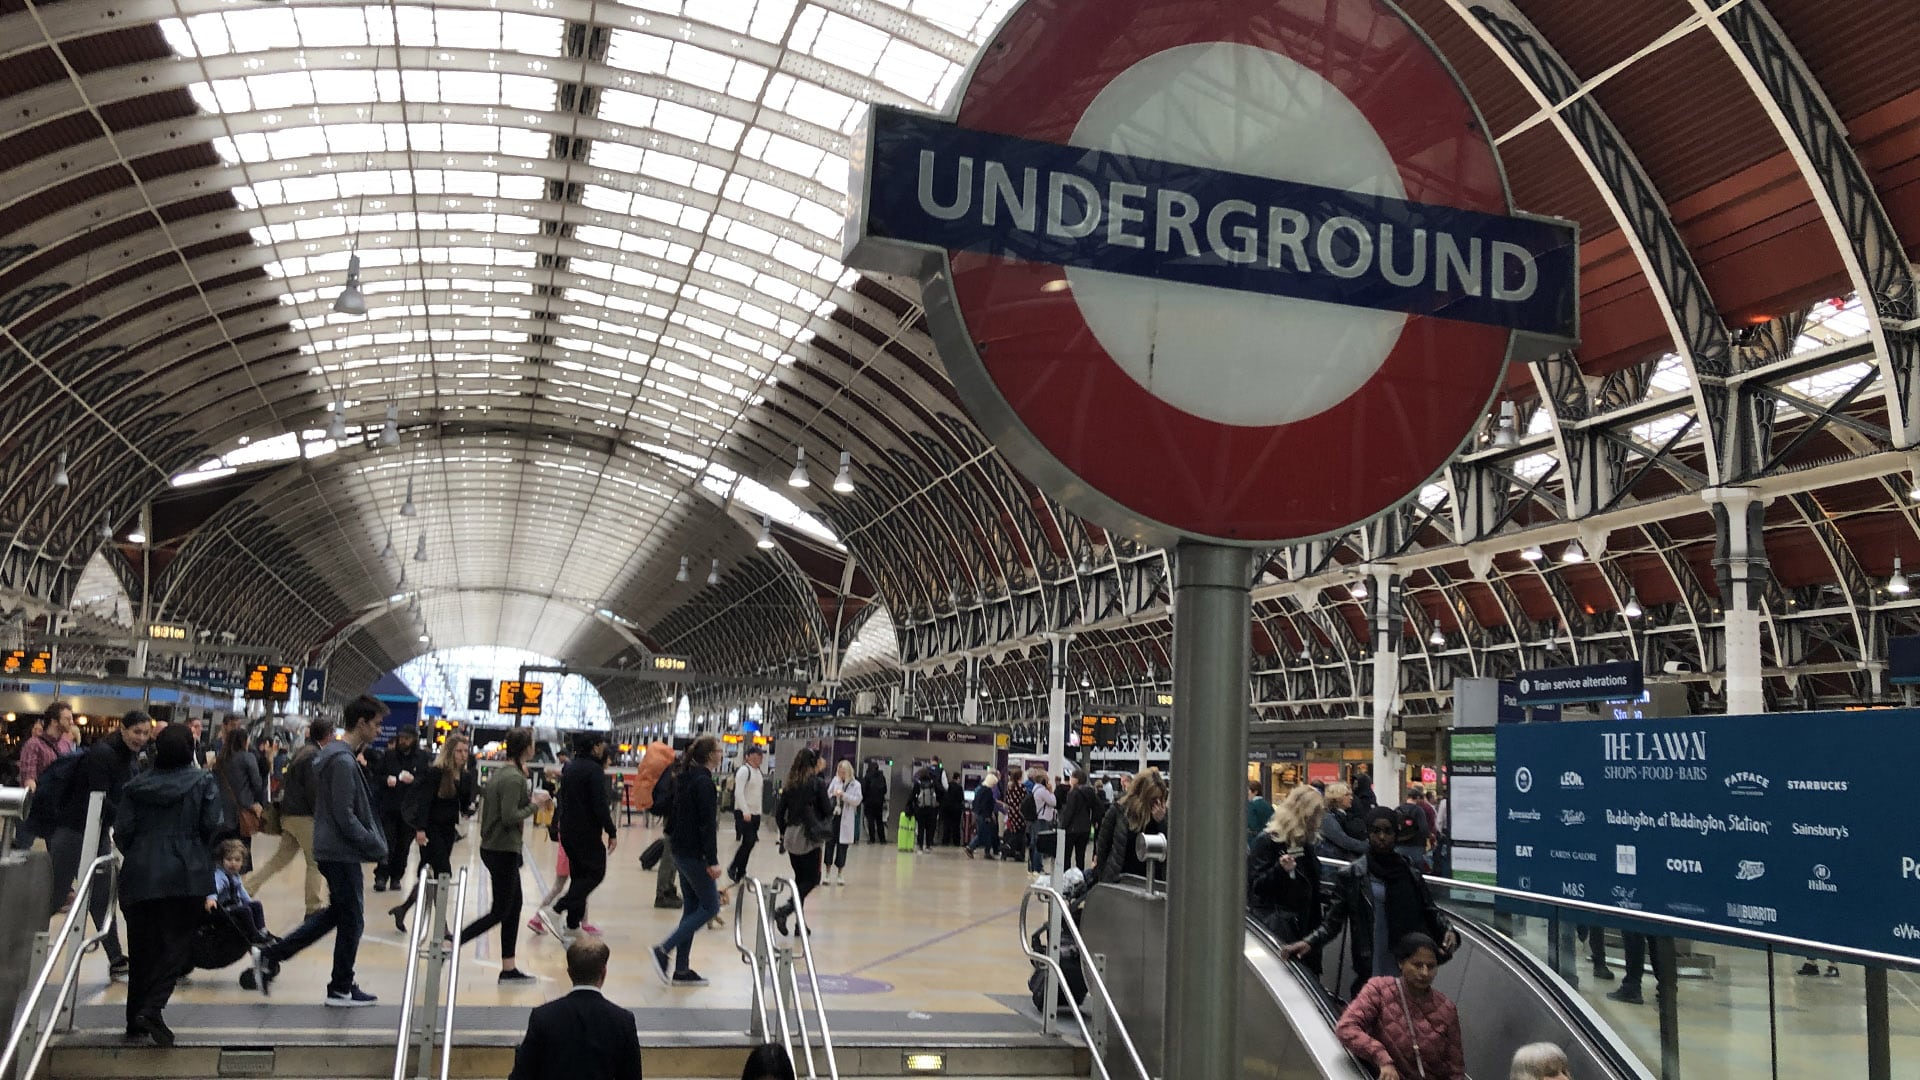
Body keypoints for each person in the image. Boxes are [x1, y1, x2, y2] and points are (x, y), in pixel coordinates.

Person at [257, 695, 389, 1006]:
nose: (379, 731)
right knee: (353, 919)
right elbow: (344, 815)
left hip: (334, 849)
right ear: (361, 723)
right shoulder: (342, 761)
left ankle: (272, 956)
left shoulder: (338, 757)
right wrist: (374, 844)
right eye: (377, 724)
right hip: (339, 850)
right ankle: (340, 987)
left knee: (338, 915)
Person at [115, 722, 222, 1047]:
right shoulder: (203, 782)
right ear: (191, 751)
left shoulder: (135, 786)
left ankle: (135, 1021)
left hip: (139, 875)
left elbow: (122, 832)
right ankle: (153, 1007)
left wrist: (141, 853)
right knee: (178, 944)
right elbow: (210, 824)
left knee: (141, 948)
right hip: (185, 875)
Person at [1285, 806, 1457, 997]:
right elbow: (1332, 923)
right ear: (1368, 834)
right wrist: (1308, 942)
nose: (1382, 837)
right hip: (1371, 962)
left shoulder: (1409, 871)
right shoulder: (1353, 875)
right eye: (1376, 831)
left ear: (1396, 834)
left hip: (1406, 960)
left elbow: (1429, 909)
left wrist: (1448, 929)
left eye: (1388, 831)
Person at [48, 709, 152, 980]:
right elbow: (99, 798)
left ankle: (116, 958)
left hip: (97, 832)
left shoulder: (129, 758)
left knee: (102, 898)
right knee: (56, 895)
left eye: (145, 733)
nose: (140, 737)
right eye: (136, 732)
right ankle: (19, 948)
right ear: (123, 730)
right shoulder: (103, 755)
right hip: (74, 831)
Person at [458, 728, 548, 982]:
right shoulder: (513, 778)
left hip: (497, 847)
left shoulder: (505, 774)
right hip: (502, 849)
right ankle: (453, 941)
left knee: (514, 905)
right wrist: (536, 805)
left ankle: (508, 967)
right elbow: (510, 817)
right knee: (500, 910)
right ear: (525, 748)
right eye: (531, 744)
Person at [1334, 932, 1465, 1080]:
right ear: (1401, 963)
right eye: (1417, 965)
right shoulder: (1379, 989)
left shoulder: (1447, 1009)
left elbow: (1456, 1070)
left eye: (1431, 966)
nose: (1424, 973)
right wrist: (1381, 1057)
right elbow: (1346, 1028)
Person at [509, 938, 643, 1080]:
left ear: (569, 972)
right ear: (603, 973)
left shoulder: (542, 1017)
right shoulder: (623, 1021)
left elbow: (521, 1076)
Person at [649, 735, 723, 986]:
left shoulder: (685, 776)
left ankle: (681, 969)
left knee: (691, 908)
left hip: (679, 850)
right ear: (710, 755)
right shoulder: (704, 782)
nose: (722, 753)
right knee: (711, 907)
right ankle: (664, 949)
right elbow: (707, 825)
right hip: (694, 854)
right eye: (719, 750)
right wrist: (712, 860)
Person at [247, 719, 332, 917]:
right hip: (304, 817)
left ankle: (247, 888)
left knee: (279, 860)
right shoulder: (314, 756)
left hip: (290, 814)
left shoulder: (302, 751)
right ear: (327, 736)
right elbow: (313, 790)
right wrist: (322, 813)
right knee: (315, 862)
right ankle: (314, 908)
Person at [389, 733, 472, 932]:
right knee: (443, 873)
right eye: (459, 751)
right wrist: (420, 829)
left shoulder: (464, 775)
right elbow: (425, 802)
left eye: (465, 751)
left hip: (448, 830)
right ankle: (442, 927)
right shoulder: (436, 773)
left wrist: (466, 782)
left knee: (431, 875)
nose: (463, 755)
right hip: (431, 829)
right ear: (450, 752)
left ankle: (404, 909)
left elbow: (464, 803)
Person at [545, 732, 618, 941]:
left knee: (579, 875)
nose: (603, 747)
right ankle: (557, 909)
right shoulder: (594, 770)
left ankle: (572, 924)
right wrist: (611, 831)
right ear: (594, 747)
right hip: (585, 832)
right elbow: (600, 805)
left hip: (567, 830)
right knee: (596, 872)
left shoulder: (570, 767)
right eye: (601, 744)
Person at [1248, 786, 1325, 957]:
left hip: (1304, 925)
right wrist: (1280, 870)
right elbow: (1256, 887)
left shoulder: (1304, 842)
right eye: (1314, 814)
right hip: (1281, 926)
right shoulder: (1268, 841)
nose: (1317, 820)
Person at [771, 747, 830, 936]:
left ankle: (799, 925)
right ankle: (785, 910)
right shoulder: (817, 783)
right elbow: (827, 810)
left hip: (791, 836)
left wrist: (783, 833)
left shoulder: (791, 784)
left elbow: (779, 813)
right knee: (812, 879)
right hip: (809, 838)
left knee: (800, 880)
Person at [371, 727, 428, 892]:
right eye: (402, 738)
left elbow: (425, 780)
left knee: (403, 847)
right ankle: (381, 876)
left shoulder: (421, 758)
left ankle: (396, 877)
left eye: (408, 738)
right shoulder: (388, 756)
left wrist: (414, 780)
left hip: (410, 811)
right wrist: (386, 780)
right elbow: (377, 776)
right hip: (390, 807)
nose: (404, 741)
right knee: (387, 843)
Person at [1090, 769, 1168, 884]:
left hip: (1152, 880)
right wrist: (1103, 875)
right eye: (1152, 799)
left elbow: (1172, 848)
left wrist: (1162, 822)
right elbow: (1103, 845)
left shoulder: (1163, 816)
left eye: (1160, 799)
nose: (1156, 804)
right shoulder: (1119, 810)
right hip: (1120, 878)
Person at [17, 703, 73, 846]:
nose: (71, 722)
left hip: (58, 807)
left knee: (56, 851)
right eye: (67, 718)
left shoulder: (66, 744)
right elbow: (29, 776)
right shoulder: (34, 744)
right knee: (25, 848)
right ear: (54, 721)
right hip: (36, 806)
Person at [215, 725, 268, 871]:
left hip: (222, 811)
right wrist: (256, 801)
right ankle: (239, 882)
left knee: (224, 848)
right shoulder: (247, 757)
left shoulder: (220, 759)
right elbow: (257, 784)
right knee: (242, 848)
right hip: (243, 810)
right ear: (244, 741)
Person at [727, 745, 766, 884]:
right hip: (745, 812)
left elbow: (757, 794)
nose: (758, 759)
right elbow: (739, 792)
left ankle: (741, 870)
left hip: (755, 813)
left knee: (749, 843)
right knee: (748, 841)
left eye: (760, 757)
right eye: (755, 756)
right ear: (748, 757)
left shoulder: (758, 772)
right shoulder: (744, 771)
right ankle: (733, 867)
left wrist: (758, 812)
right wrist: (745, 810)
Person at [212, 839, 266, 934]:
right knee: (245, 910)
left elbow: (243, 893)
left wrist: (251, 904)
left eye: (237, 860)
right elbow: (214, 889)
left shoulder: (236, 876)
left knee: (256, 905)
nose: (233, 863)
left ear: (242, 862)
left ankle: (263, 931)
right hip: (225, 909)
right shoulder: (220, 876)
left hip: (236, 906)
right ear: (222, 860)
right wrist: (212, 898)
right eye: (229, 859)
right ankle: (253, 934)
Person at [824, 759, 862, 885]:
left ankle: (840, 874)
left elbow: (857, 800)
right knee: (829, 845)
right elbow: (828, 794)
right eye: (840, 772)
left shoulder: (855, 785)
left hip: (846, 819)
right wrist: (834, 795)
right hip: (835, 818)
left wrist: (844, 795)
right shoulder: (835, 781)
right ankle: (827, 873)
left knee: (842, 848)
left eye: (844, 772)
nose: (841, 774)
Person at [1316, 781, 1369, 860]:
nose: (1351, 798)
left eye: (1351, 794)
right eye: (1347, 795)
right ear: (1337, 798)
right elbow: (1343, 841)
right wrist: (1367, 846)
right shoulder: (1327, 818)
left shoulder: (1344, 816)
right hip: (1333, 862)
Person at [1058, 771, 1099, 872]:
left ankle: (1066, 875)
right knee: (1080, 855)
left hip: (1072, 828)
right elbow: (1097, 807)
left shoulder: (1074, 793)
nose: (1070, 779)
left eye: (1072, 777)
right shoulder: (1091, 792)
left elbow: (1069, 811)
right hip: (1085, 827)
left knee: (1066, 855)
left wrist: (1062, 826)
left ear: (1077, 779)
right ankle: (1080, 876)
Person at [1026, 768, 1057, 874]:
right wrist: (1051, 791)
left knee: (1034, 843)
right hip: (1042, 820)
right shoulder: (1043, 791)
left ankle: (1034, 866)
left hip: (1036, 819)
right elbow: (1053, 802)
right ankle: (1037, 867)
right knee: (1039, 844)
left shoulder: (1035, 789)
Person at [965, 772, 1000, 859]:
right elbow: (986, 805)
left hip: (978, 813)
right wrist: (988, 816)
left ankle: (987, 852)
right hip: (984, 815)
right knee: (982, 834)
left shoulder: (980, 789)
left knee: (987, 833)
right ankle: (970, 847)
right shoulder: (988, 791)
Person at [910, 766, 940, 852]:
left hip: (920, 808)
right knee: (929, 828)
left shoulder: (918, 783)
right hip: (930, 809)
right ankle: (928, 846)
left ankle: (920, 847)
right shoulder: (932, 782)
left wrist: (911, 804)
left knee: (921, 828)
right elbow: (940, 791)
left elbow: (912, 795)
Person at [860, 761, 887, 843]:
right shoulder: (882, 777)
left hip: (869, 803)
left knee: (870, 821)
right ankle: (882, 839)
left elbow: (863, 789)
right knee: (879, 821)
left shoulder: (867, 776)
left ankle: (872, 839)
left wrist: (863, 800)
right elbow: (885, 790)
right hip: (879, 803)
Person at [1245, 779, 1272, 849]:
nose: (1247, 793)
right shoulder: (1269, 806)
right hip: (1268, 840)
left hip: (1253, 840)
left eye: (1249, 791)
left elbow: (1251, 825)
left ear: (1255, 792)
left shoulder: (1251, 806)